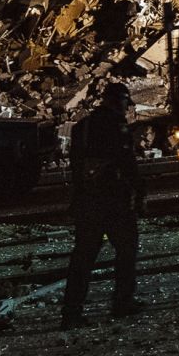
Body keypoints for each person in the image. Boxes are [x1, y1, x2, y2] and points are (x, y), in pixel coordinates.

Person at [61, 82, 144, 329]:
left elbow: (76, 167)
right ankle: (122, 302)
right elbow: (127, 163)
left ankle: (71, 312)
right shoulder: (118, 127)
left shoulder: (81, 128)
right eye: (123, 103)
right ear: (116, 101)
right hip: (114, 199)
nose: (125, 108)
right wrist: (140, 193)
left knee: (83, 258)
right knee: (127, 250)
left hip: (88, 199)